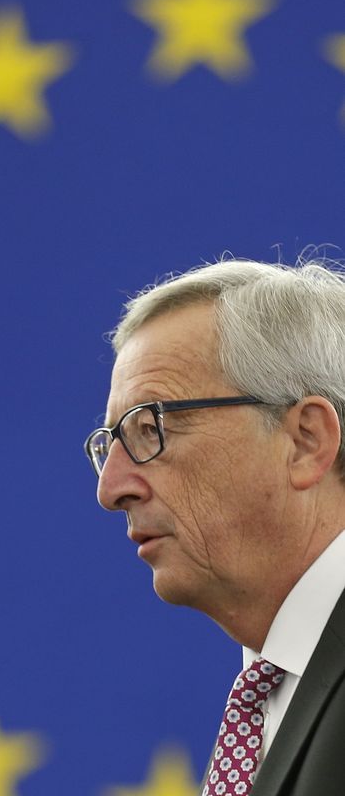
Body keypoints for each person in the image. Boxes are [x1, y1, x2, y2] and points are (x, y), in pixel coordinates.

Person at [84, 258, 345, 796]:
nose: (111, 490)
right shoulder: (268, 696)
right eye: (109, 443)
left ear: (305, 441)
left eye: (150, 427)